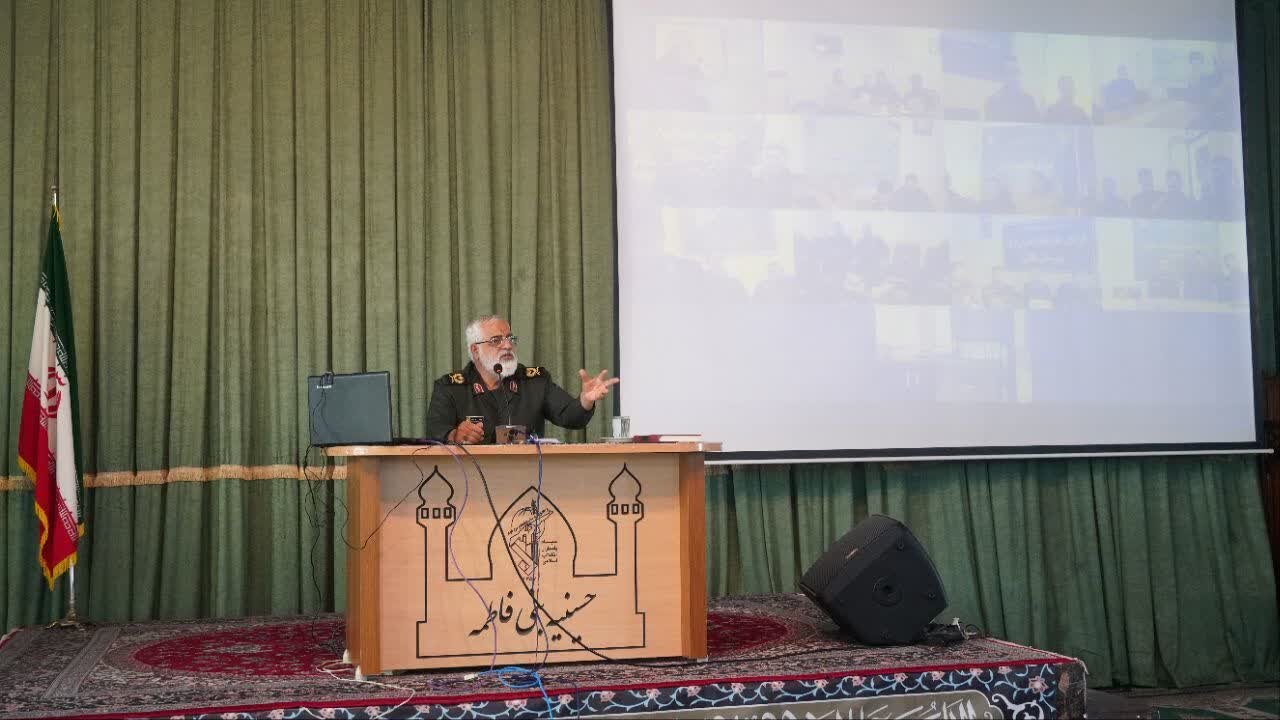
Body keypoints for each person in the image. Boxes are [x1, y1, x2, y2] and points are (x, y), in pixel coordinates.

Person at [425, 315, 619, 443]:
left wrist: (585, 401)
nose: (508, 345)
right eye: (496, 340)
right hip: (470, 481)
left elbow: (570, 416)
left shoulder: (534, 382)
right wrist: (455, 435)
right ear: (475, 350)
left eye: (510, 338)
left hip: (528, 479)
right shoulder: (450, 387)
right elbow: (435, 432)